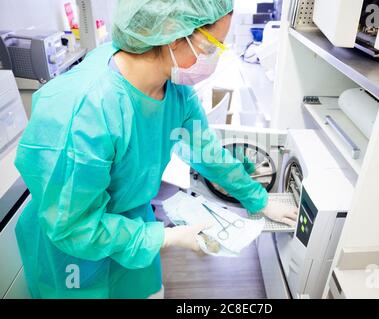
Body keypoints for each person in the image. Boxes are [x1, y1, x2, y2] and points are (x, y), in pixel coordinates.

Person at [14, 0, 298, 299]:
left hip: (132, 225)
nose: (216, 56)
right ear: (175, 34)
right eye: (214, 45)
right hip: (75, 247)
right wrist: (164, 236)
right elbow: (73, 227)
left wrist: (258, 200)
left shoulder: (175, 90)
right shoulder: (87, 109)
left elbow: (206, 152)